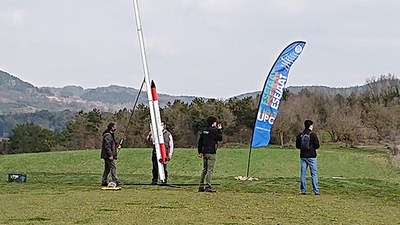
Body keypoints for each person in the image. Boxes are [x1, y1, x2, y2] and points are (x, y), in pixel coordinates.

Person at [197, 116, 223, 193]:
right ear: (213, 123)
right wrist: (219, 130)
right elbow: (220, 138)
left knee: (204, 169)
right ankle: (208, 186)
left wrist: (200, 151)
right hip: (211, 152)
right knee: (210, 170)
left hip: (204, 152)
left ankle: (201, 186)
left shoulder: (204, 130)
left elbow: (200, 141)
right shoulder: (214, 131)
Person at [296, 119, 320, 195]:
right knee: (314, 173)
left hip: (303, 156)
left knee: (303, 173)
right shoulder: (313, 135)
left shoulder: (300, 135)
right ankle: (316, 190)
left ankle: (303, 190)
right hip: (312, 156)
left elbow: (297, 146)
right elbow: (317, 146)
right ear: (310, 126)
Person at [101, 122, 121, 186]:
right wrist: (110, 155)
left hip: (108, 155)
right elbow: (107, 146)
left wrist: (118, 145)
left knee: (107, 168)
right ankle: (114, 180)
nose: (116, 127)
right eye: (114, 126)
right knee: (113, 167)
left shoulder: (111, 135)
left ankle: (104, 181)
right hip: (108, 155)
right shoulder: (108, 135)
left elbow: (113, 143)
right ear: (112, 128)